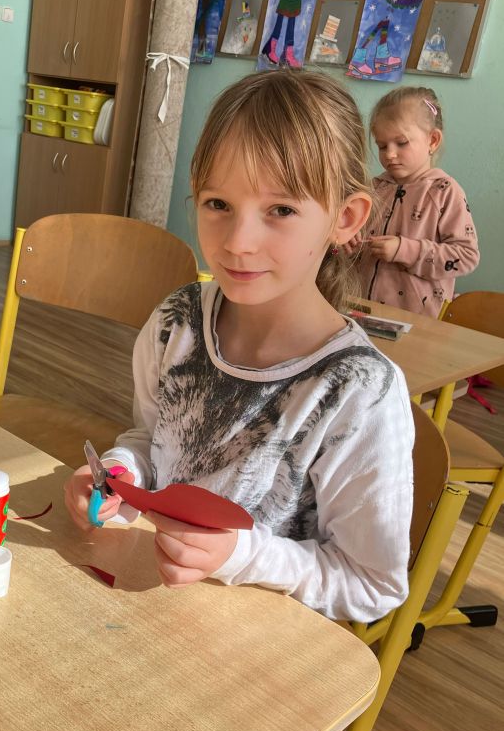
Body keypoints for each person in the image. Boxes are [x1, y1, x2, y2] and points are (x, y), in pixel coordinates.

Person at [64, 71, 414, 623]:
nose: (237, 242)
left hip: (258, 649)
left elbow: (372, 586)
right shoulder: (176, 322)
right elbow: (153, 440)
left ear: (345, 219)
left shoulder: (360, 392)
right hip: (146, 610)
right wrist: (120, 474)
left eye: (281, 210)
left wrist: (241, 556)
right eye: (218, 203)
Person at [351, 86, 478, 317]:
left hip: (416, 321)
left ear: (432, 140)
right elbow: (346, 242)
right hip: (361, 313)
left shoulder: (445, 192)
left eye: (401, 143)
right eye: (382, 146)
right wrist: (347, 243)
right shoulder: (372, 188)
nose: (389, 154)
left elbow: (466, 256)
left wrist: (404, 250)